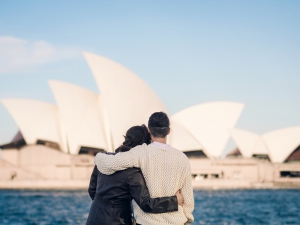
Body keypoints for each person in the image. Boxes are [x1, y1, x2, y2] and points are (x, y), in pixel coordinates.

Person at [95, 112, 194, 225]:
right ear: (168, 131)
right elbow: (188, 200)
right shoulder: (182, 158)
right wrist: (187, 219)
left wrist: (98, 156)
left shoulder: (141, 152)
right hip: (177, 222)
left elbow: (111, 163)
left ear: (149, 130)